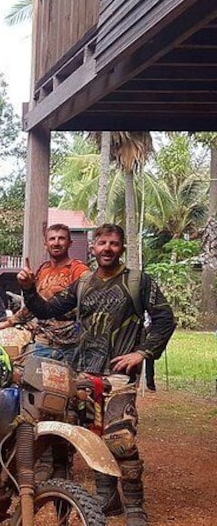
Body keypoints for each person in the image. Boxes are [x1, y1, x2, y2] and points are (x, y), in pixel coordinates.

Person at [16, 224, 176, 526]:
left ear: (122, 248)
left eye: (114, 243)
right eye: (102, 243)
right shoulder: (83, 283)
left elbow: (165, 319)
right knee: (90, 434)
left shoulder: (138, 281)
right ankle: (106, 495)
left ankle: (134, 504)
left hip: (119, 375)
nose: (107, 249)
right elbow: (46, 310)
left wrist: (142, 353)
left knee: (121, 439)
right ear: (93, 248)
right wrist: (27, 288)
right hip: (84, 374)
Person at [12, 224, 90, 364]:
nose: (56, 243)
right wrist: (11, 321)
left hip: (69, 345)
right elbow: (34, 304)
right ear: (45, 244)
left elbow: (87, 305)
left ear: (70, 243)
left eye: (61, 239)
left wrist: (52, 301)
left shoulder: (79, 270)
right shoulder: (43, 269)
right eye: (52, 239)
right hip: (42, 342)